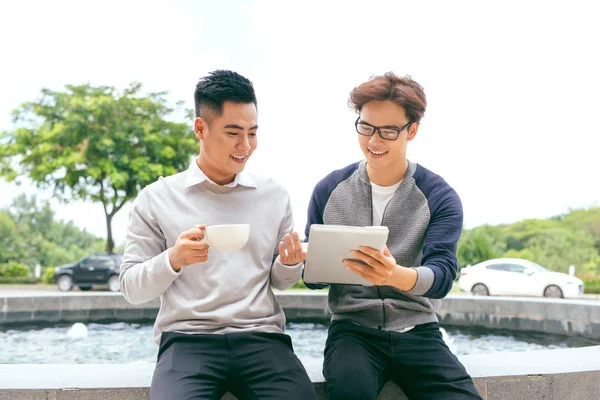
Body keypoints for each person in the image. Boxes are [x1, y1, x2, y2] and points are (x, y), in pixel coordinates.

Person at [120, 70, 317, 400]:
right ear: (200, 128)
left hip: (262, 338)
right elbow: (130, 288)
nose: (246, 146)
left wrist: (289, 264)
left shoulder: (274, 195)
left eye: (252, 133)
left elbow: (280, 282)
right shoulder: (157, 198)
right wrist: (174, 259)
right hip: (187, 340)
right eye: (233, 133)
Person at [303, 72, 482, 400]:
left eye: (387, 131)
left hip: (419, 330)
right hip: (352, 331)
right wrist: (300, 262)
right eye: (366, 127)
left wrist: (398, 276)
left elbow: (442, 274)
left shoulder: (439, 196)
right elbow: (313, 280)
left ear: (411, 130)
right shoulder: (328, 190)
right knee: (349, 392)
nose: (374, 141)